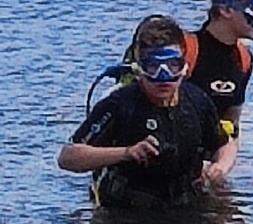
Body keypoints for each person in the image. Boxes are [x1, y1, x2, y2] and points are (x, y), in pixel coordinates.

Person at [59, 15, 236, 210]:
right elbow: (68, 157)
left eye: (172, 65)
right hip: (126, 212)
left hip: (184, 204)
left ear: (184, 67)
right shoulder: (121, 104)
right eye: (152, 66)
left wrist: (220, 167)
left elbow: (224, 144)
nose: (163, 76)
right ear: (140, 69)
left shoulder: (197, 101)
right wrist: (126, 153)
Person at [183, 0, 253, 142]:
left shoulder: (244, 59)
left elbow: (232, 128)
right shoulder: (187, 49)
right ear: (226, 10)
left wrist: (222, 165)